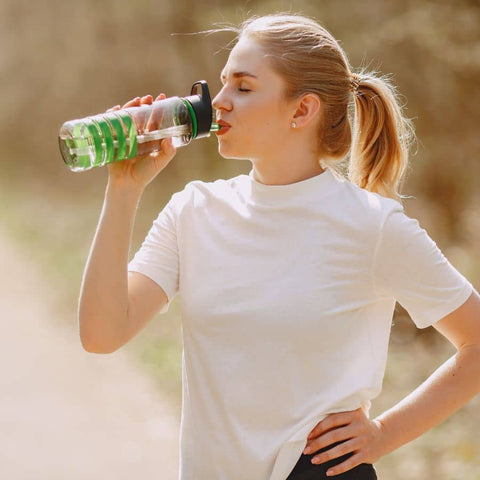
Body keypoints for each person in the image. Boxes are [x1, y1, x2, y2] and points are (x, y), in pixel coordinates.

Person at [78, 13, 480, 480]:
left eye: (243, 88)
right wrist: (123, 190)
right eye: (222, 83)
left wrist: (384, 434)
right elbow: (102, 334)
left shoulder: (372, 226)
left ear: (302, 110)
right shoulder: (194, 211)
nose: (219, 103)